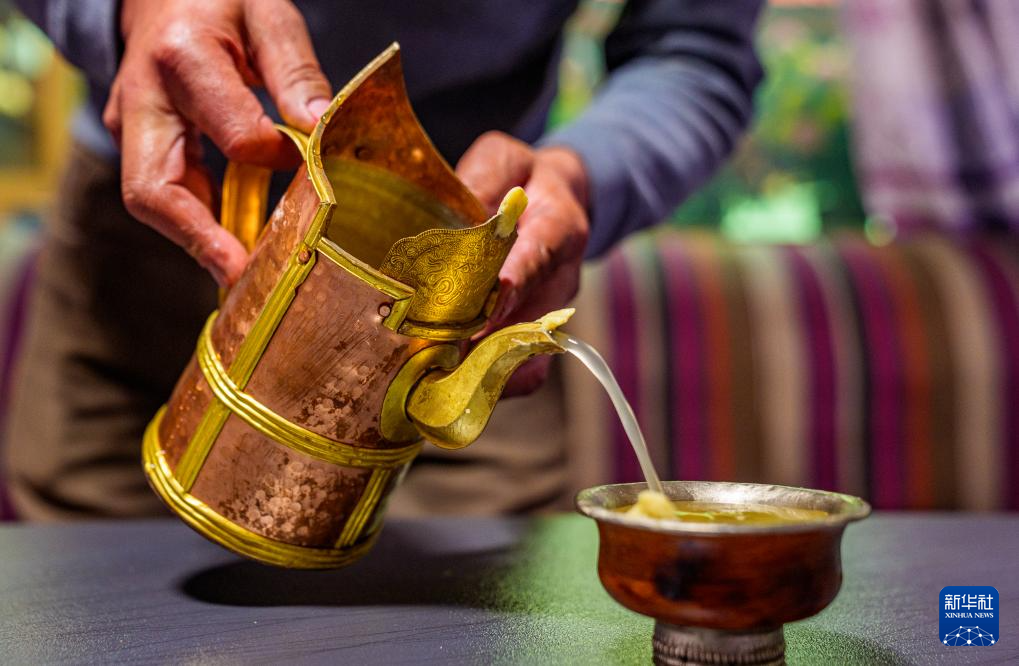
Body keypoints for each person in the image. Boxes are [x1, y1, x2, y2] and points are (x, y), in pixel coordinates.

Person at [5, 0, 763, 519]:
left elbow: (693, 50)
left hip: (457, 299)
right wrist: (126, 10)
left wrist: (578, 178)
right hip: (150, 239)